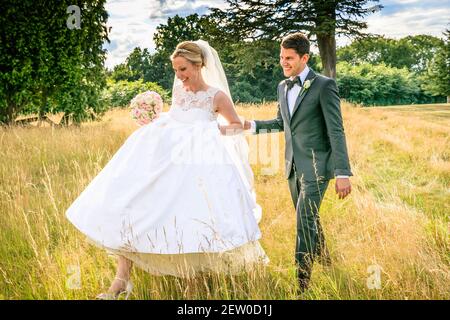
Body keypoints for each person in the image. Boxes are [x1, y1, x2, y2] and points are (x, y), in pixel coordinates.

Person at [66, 40, 268, 300]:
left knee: (189, 217)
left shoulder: (216, 96)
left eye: (183, 69)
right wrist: (154, 118)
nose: (180, 76)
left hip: (196, 164)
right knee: (134, 207)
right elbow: (175, 118)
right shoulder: (180, 92)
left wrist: (208, 130)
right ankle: (121, 281)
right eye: (176, 70)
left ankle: (193, 284)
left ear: (199, 65)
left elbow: (235, 126)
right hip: (165, 157)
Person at [244, 32, 352, 292]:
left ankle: (302, 286)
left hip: (317, 167)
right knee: (310, 219)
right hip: (292, 167)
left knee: (304, 222)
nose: (284, 62)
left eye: (289, 58)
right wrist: (250, 125)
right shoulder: (283, 87)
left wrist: (342, 172)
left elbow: (336, 130)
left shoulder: (324, 85)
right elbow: (281, 123)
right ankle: (327, 262)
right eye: (282, 57)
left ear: (305, 57)